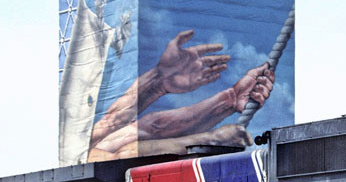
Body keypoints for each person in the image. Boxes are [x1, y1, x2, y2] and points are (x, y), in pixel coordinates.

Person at [88, 30, 274, 160]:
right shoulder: (80, 153)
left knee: (135, 130)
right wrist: (208, 140)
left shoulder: (85, 140)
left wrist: (229, 100)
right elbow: (120, 157)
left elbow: (150, 127)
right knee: (128, 142)